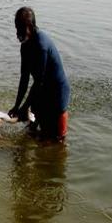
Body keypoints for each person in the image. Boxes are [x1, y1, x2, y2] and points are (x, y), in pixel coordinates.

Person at [8, 7, 70, 141]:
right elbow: (24, 78)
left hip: (57, 92)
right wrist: (17, 105)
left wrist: (25, 107)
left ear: (29, 27)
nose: (17, 33)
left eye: (20, 29)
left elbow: (38, 82)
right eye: (16, 28)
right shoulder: (24, 46)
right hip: (42, 91)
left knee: (57, 141)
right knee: (34, 134)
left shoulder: (41, 45)